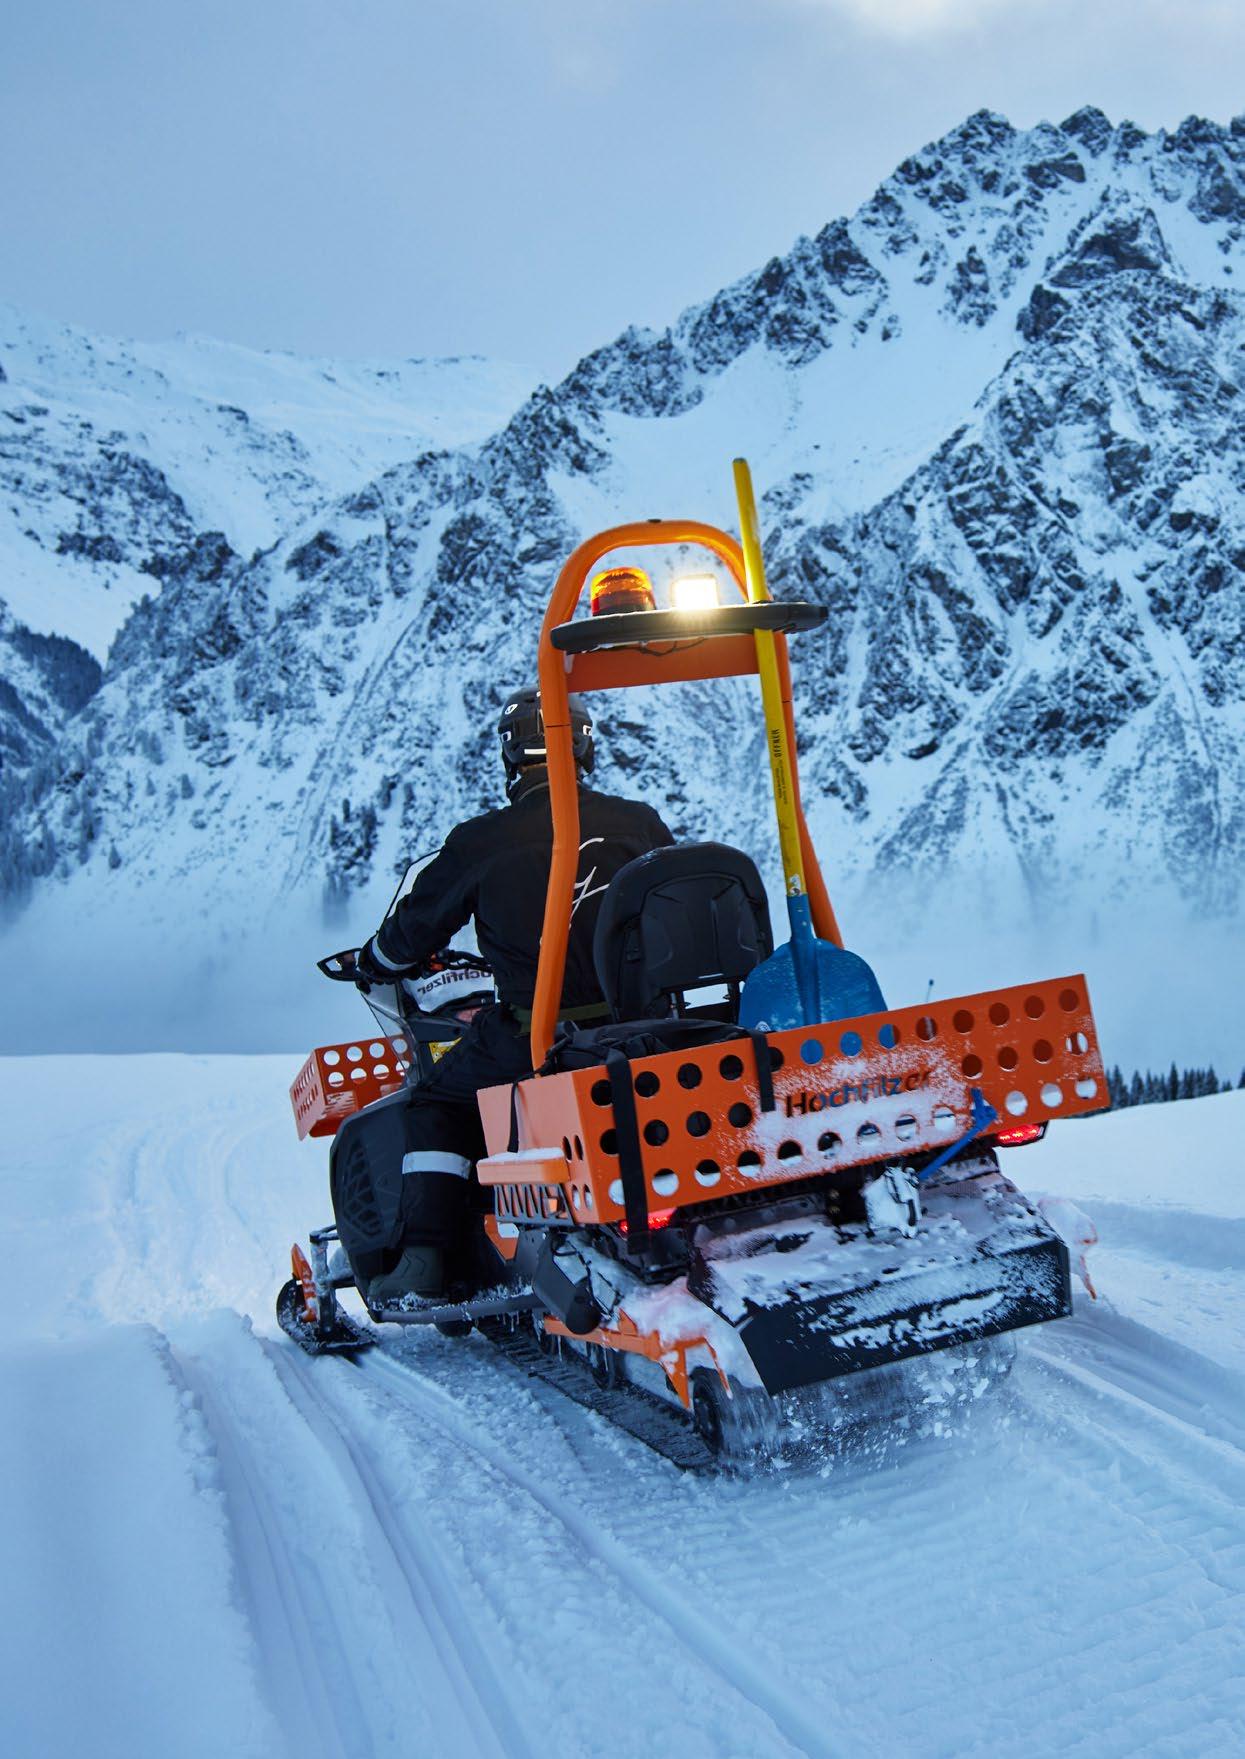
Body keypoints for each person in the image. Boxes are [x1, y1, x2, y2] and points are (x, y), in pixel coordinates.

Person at [348, 686, 674, 1305]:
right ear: (584, 749)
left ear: (510, 756)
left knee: (436, 1101)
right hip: (642, 1028)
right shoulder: (639, 823)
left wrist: (375, 960)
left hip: (535, 1035)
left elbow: (412, 933)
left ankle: (425, 1262)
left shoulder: (482, 841)